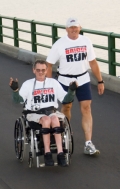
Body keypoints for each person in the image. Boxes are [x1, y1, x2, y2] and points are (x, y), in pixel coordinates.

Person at [46, 17, 104, 155]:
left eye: (76, 27)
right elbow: (49, 64)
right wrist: (49, 83)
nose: (73, 29)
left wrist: (100, 81)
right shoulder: (59, 44)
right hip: (65, 80)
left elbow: (93, 62)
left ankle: (88, 143)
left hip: (83, 79)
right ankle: (64, 136)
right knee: (66, 107)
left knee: (86, 108)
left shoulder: (86, 41)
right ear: (66, 29)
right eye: (71, 27)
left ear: (80, 28)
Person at [9, 60, 77, 167]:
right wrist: (15, 90)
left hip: (51, 111)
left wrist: (71, 91)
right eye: (38, 70)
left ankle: (60, 153)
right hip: (34, 113)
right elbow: (19, 100)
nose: (40, 72)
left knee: (54, 119)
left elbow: (66, 99)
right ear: (34, 70)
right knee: (46, 119)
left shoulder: (53, 83)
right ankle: (47, 153)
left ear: (46, 71)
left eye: (43, 70)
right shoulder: (28, 84)